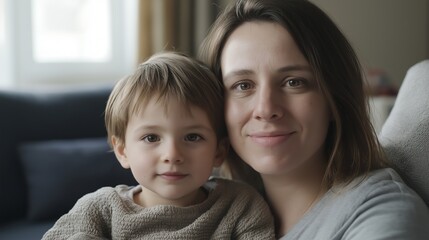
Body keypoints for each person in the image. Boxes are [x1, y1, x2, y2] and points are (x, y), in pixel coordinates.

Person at [199, 0, 429, 239]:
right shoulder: (213, 213)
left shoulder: (383, 214)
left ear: (334, 99)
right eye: (243, 85)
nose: (265, 109)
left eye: (293, 82)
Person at [42, 52, 275, 239]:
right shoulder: (99, 210)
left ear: (219, 151)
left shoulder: (239, 205)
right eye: (151, 138)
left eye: (192, 137)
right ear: (122, 150)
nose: (172, 155)